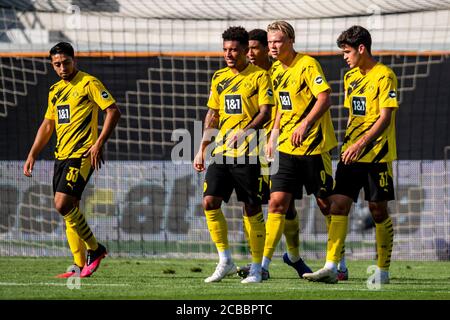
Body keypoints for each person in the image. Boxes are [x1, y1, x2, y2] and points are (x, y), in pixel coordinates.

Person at [303, 25, 397, 284]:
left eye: (347, 51)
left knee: (378, 211)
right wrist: (349, 145)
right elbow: (355, 116)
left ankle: (383, 270)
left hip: (377, 155)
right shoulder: (350, 77)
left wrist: (362, 143)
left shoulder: (384, 76)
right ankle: (332, 266)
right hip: (350, 155)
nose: (344, 56)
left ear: (361, 48)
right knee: (337, 205)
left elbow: (385, 118)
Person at [23, 42, 121, 278]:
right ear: (52, 65)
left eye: (66, 62)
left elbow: (113, 110)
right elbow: (48, 124)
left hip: (82, 154)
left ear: (74, 61)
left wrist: (98, 143)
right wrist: (33, 153)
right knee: (70, 211)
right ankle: (78, 266)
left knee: (62, 204)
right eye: (57, 64)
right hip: (61, 156)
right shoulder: (55, 90)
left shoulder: (89, 83)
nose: (62, 67)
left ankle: (95, 249)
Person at [193, 26, 274, 284]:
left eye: (234, 50)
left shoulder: (260, 77)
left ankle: (256, 268)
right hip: (222, 151)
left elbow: (266, 112)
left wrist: (246, 132)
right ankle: (225, 259)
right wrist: (202, 147)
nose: (229, 54)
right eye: (226, 50)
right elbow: (213, 114)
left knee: (250, 207)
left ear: (244, 51)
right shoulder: (219, 77)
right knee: (209, 202)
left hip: (250, 152)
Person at [262, 21, 340, 280]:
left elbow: (324, 97)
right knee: (277, 202)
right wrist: (273, 135)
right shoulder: (275, 69)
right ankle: (261, 266)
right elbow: (281, 107)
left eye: (278, 41)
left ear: (291, 41)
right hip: (286, 147)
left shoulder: (307, 64)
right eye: (270, 41)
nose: (273, 46)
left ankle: (337, 262)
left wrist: (306, 123)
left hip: (315, 147)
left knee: (325, 204)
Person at [238, 28, 317, 281]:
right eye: (247, 48)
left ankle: (291, 256)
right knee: (251, 203)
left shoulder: (278, 70)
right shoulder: (243, 74)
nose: (250, 53)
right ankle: (258, 261)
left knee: (284, 204)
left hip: (279, 143)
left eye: (255, 48)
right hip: (253, 145)